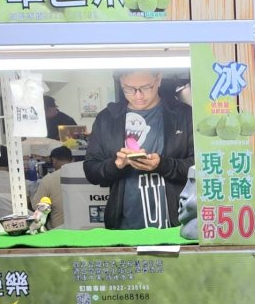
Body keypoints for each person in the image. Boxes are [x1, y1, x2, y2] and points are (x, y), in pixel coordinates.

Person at [83, 70, 194, 230]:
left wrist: (163, 165)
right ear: (121, 83)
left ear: (158, 79)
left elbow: (199, 166)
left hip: (175, 223)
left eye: (146, 87)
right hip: (124, 225)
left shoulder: (183, 114)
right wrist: (116, 165)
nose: (138, 95)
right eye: (129, 89)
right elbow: (91, 170)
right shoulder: (107, 119)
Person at [31, 146, 73, 228]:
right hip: (84, 229)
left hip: (58, 230)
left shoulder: (48, 179)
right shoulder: (85, 176)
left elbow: (36, 206)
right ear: (72, 160)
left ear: (54, 160)